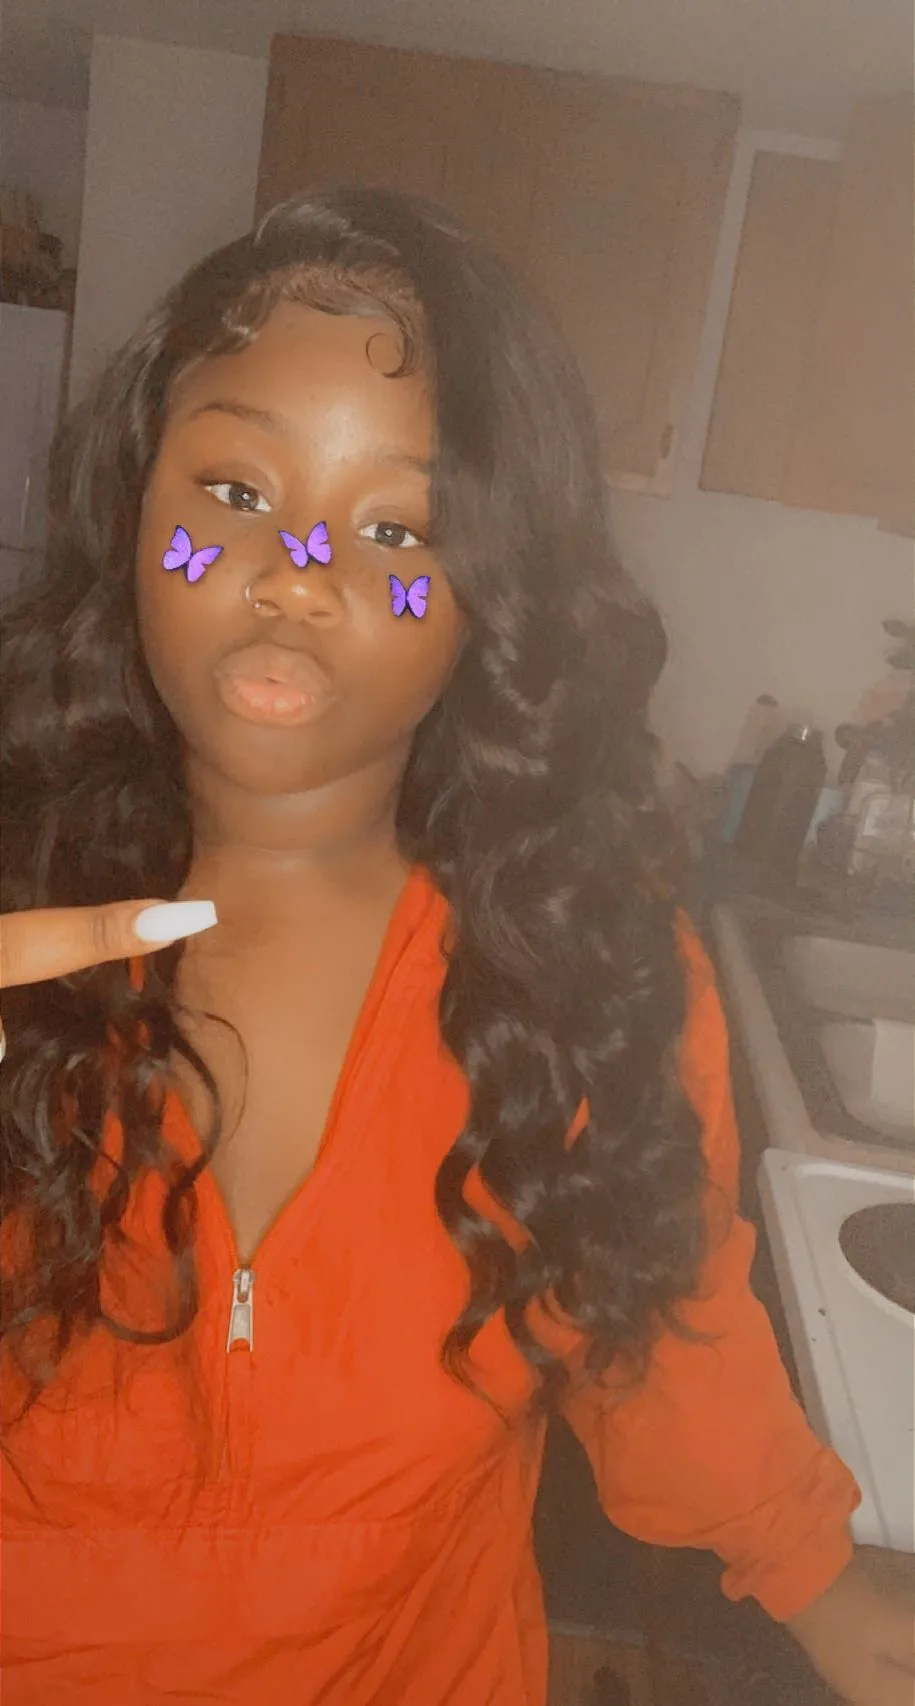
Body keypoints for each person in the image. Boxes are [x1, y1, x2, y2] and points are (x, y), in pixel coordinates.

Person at [0, 187, 911, 1706]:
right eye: (235, 488)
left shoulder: (583, 977)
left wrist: (809, 1570)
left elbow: (658, 1322)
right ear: (135, 499)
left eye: (396, 528)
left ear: (488, 597)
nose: (299, 569)